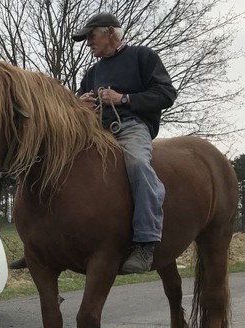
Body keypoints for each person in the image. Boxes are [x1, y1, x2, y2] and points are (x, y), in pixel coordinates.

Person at [72, 12, 177, 273]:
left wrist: (124, 99)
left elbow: (166, 94)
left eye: (91, 36)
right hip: (95, 131)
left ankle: (145, 243)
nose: (88, 43)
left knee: (138, 164)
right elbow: (77, 103)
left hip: (130, 127)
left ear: (110, 32)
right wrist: (78, 104)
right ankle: (47, 242)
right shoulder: (92, 72)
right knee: (58, 161)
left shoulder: (143, 57)